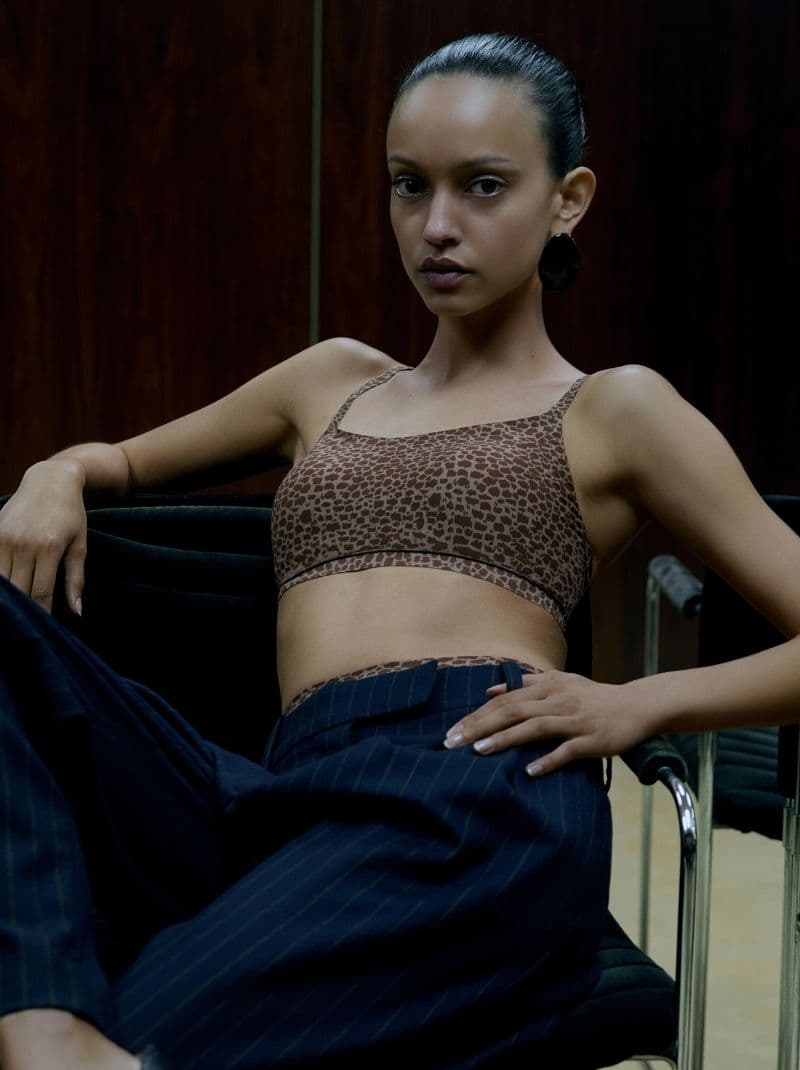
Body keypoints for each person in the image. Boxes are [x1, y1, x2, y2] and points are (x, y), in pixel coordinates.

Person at [0, 29, 799, 1070]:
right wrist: (55, 474)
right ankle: (41, 1008)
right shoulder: (329, 379)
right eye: (406, 186)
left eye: (480, 187)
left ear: (566, 199)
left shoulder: (613, 407)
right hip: (271, 797)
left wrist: (632, 701)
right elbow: (114, 460)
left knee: (145, 1036)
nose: (435, 226)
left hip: (470, 783)